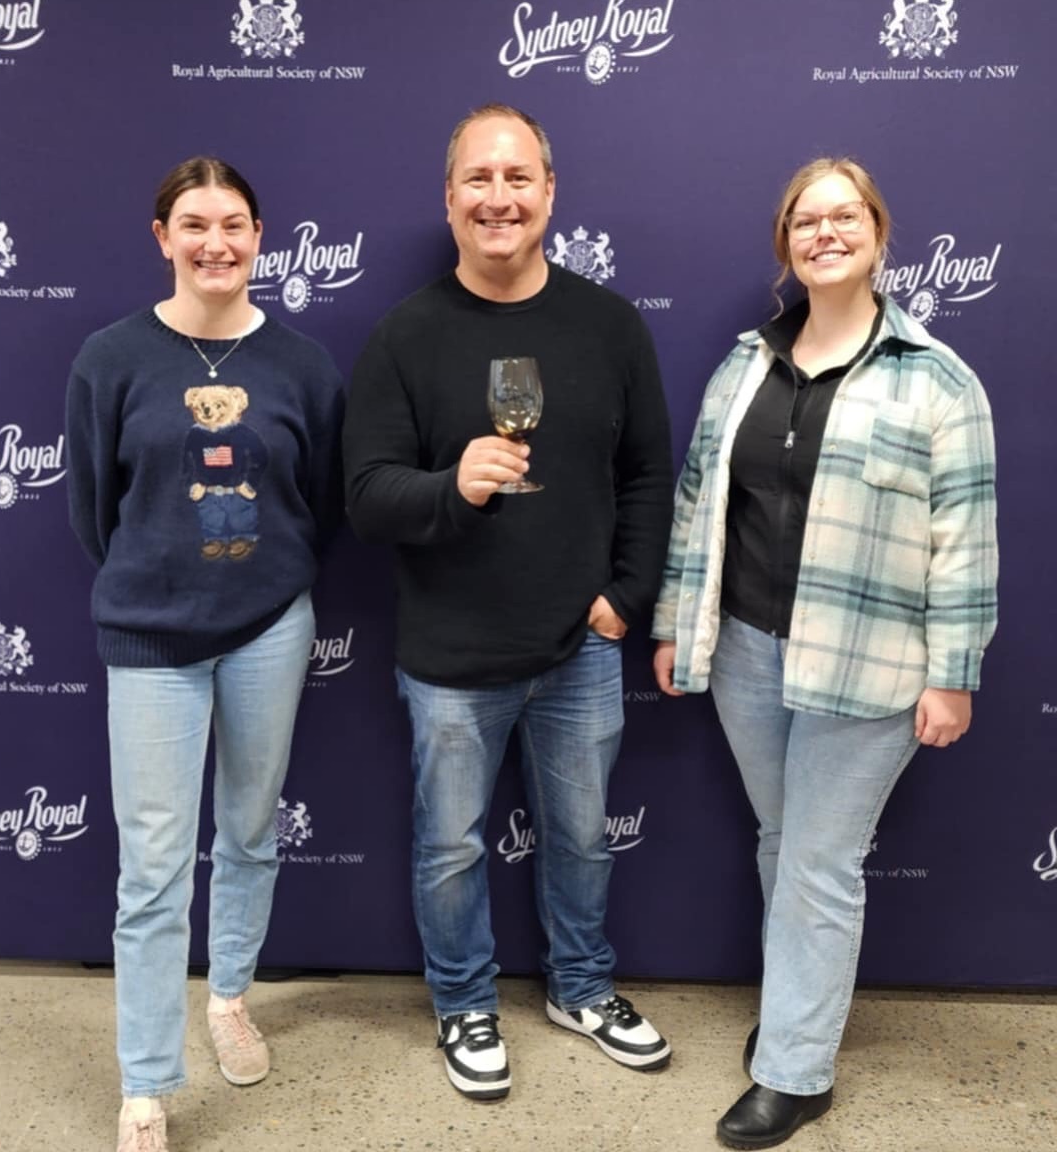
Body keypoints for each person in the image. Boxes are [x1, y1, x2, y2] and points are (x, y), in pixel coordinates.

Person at [651, 158, 997, 1148]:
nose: (826, 232)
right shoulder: (744, 365)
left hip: (873, 663)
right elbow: (695, 507)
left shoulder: (936, 380)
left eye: (845, 216)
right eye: (807, 220)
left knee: (816, 860)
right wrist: (680, 621)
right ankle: (802, 1006)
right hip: (751, 653)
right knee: (783, 844)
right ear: (787, 244)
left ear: (879, 236)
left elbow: (965, 540)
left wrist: (952, 674)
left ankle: (797, 1070)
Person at [343, 103, 675, 1101]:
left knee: (580, 837)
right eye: (478, 181)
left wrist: (625, 597)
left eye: (517, 178)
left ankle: (582, 988)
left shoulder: (608, 325)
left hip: (579, 648)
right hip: (450, 657)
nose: (499, 197)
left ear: (549, 193)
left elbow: (651, 474)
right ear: (449, 201)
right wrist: (455, 485)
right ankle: (463, 1004)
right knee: (450, 848)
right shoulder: (404, 335)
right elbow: (365, 498)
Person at [66, 156, 344, 1152]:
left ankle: (229, 995)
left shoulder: (304, 364)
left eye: (234, 224)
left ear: (261, 237)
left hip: (271, 625)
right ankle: (145, 1083)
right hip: (149, 634)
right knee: (150, 867)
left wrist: (263, 580)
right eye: (195, 224)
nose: (215, 242)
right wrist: (164, 578)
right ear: (162, 237)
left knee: (250, 827)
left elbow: (325, 503)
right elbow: (96, 508)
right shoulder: (111, 356)